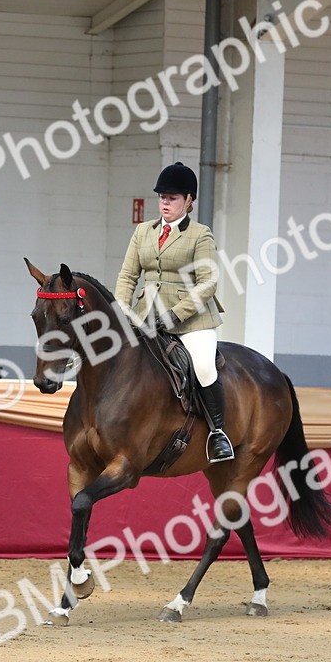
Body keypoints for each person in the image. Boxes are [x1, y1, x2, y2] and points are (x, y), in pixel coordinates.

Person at [114, 161, 233, 462]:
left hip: (192, 319)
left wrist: (175, 314)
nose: (165, 203)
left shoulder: (200, 234)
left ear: (189, 201)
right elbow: (128, 276)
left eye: (173, 198)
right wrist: (122, 310)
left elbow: (208, 282)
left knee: (204, 367)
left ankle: (218, 433)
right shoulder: (143, 232)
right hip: (147, 314)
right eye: (162, 197)